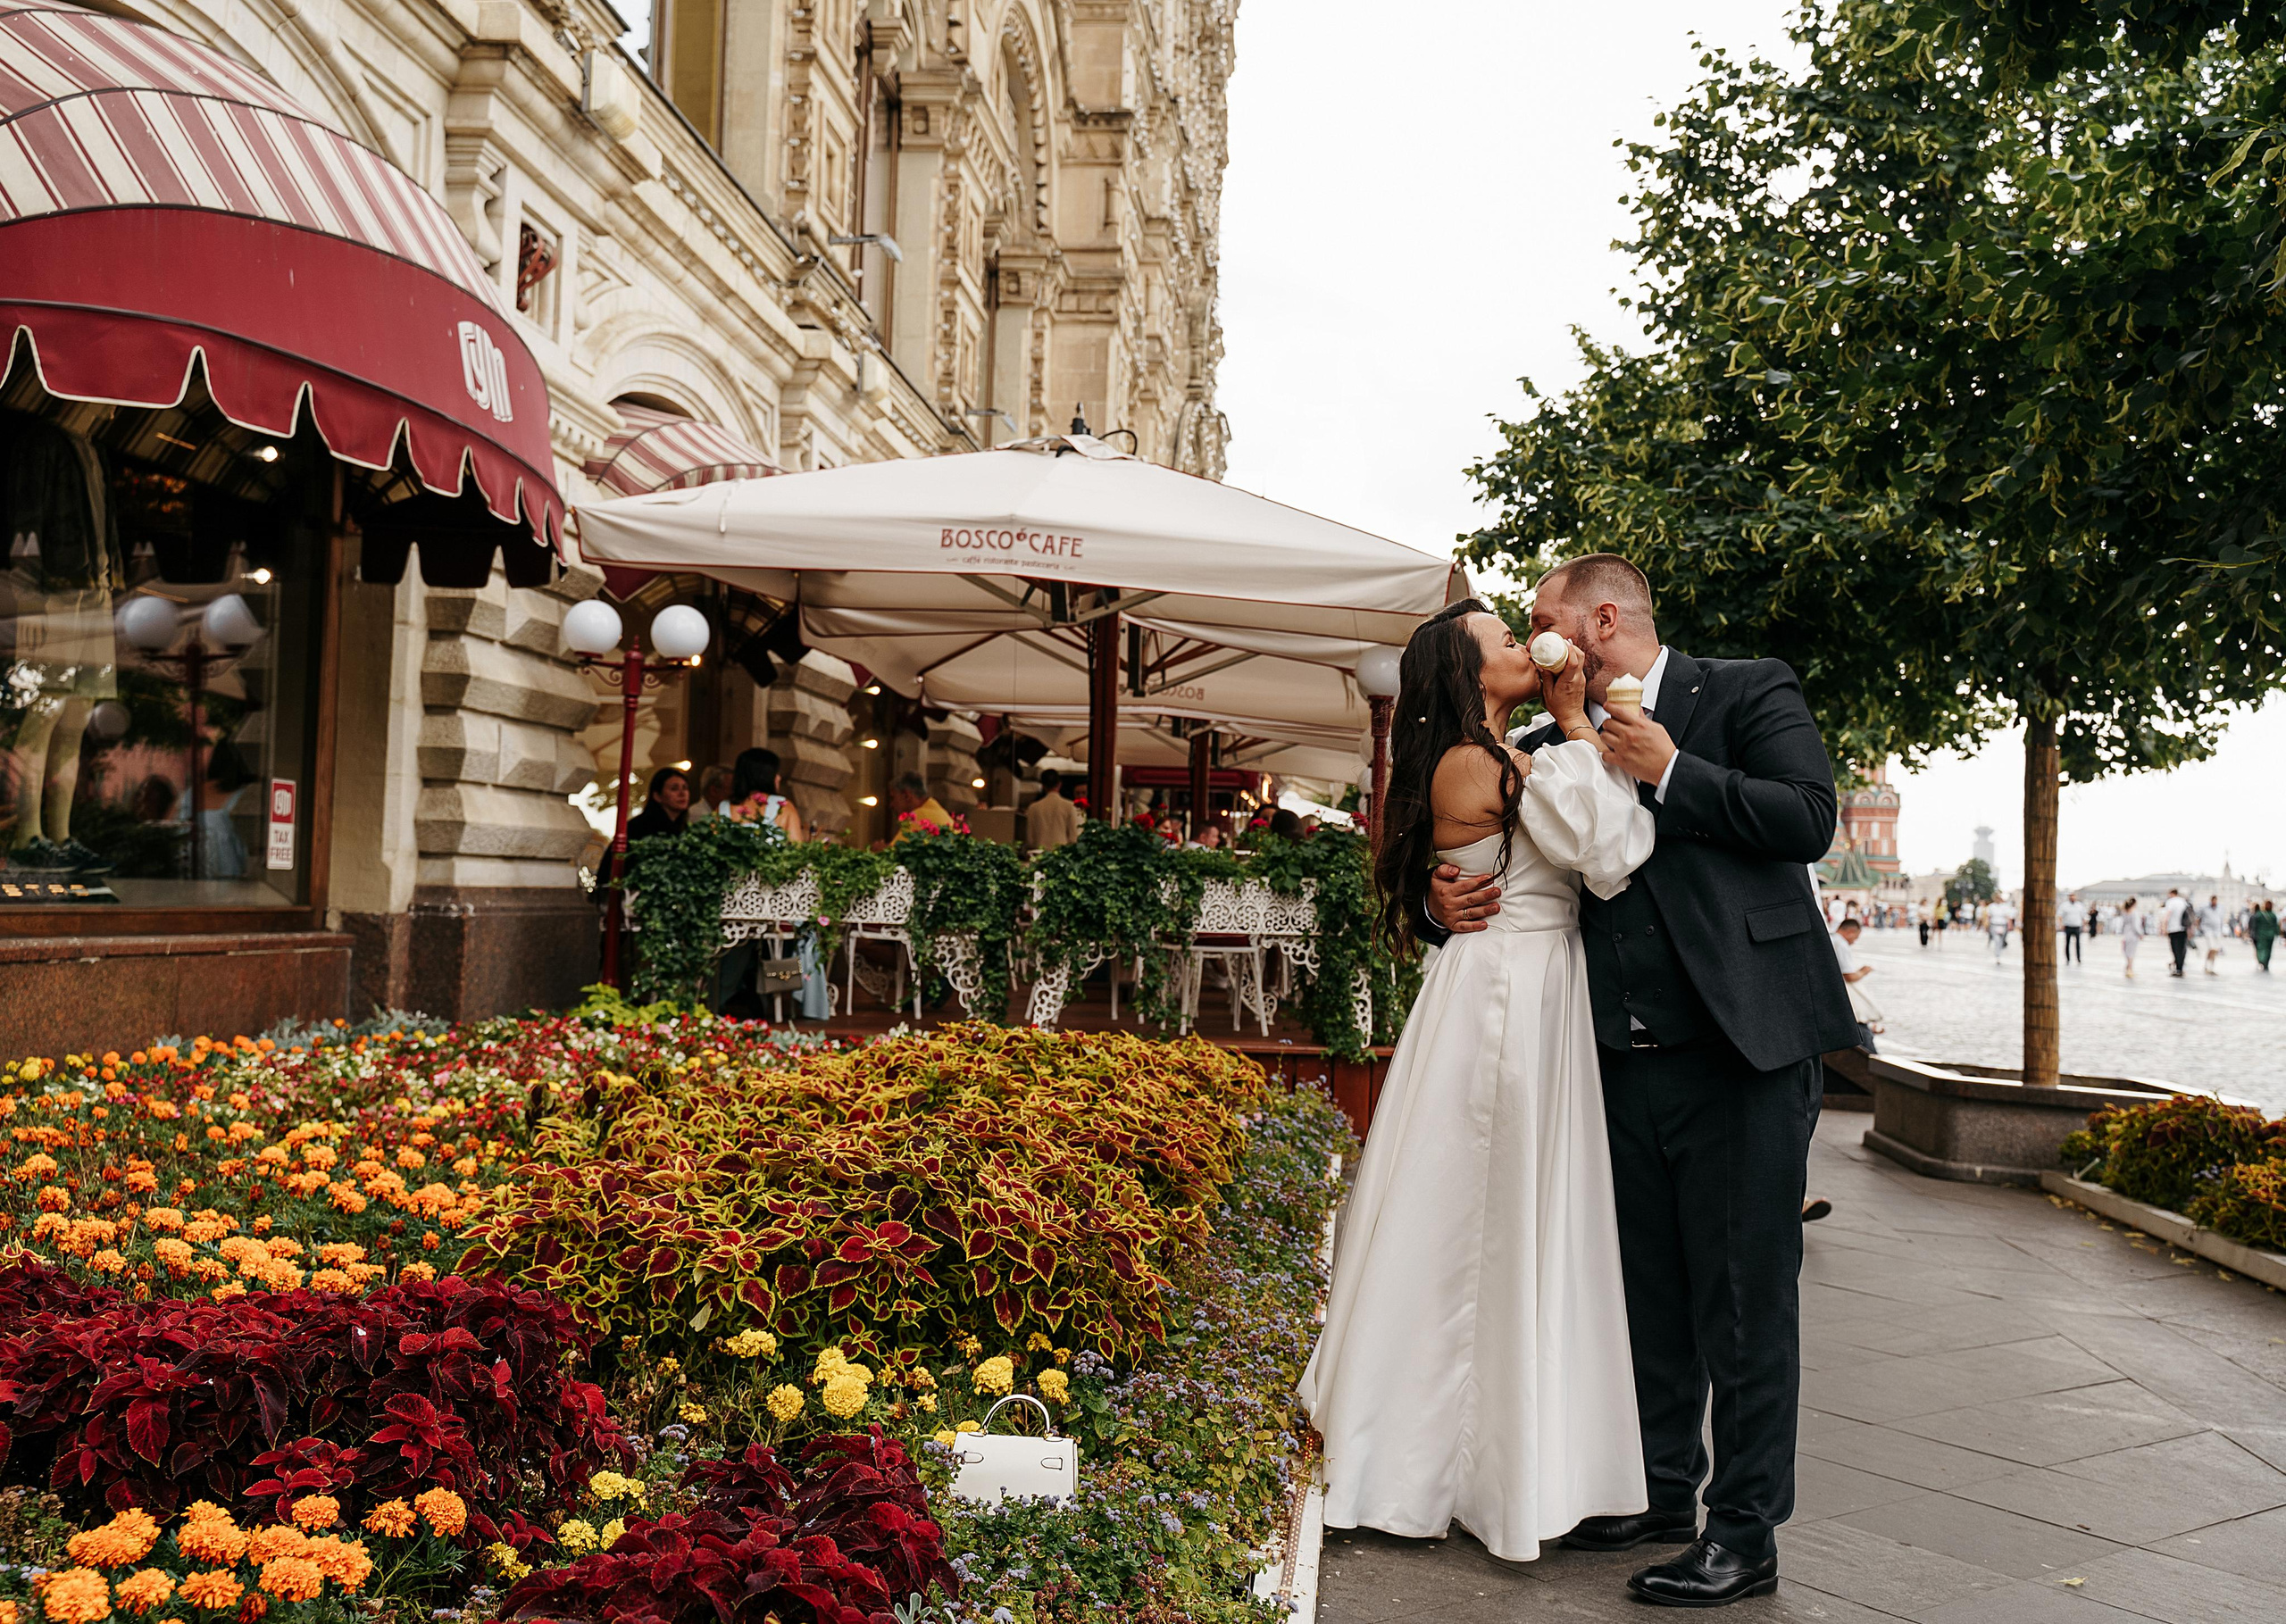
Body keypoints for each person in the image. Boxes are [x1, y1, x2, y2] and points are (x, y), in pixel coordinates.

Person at [1417, 558, 1856, 1606]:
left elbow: (1807, 817)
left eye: (1540, 621)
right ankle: (1660, 1490)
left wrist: (1669, 770)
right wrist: (1446, 898)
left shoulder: (1747, 689)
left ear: (1597, 622)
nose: (1533, 638)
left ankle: (1743, 1533)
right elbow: (1496, 860)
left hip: (1744, 1047)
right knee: (1645, 1295)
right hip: (1610, 1054)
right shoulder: (1535, 742)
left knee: (1744, 1301)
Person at [1300, 601, 1655, 1569]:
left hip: (1519, 982)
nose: (1522, 646)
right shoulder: (1486, 759)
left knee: (1487, 1218)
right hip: (1509, 995)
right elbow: (1612, 854)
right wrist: (1580, 721)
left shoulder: (1495, 752)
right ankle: (1452, 1461)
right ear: (1466, 672)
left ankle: (1493, 1456)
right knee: (1483, 1221)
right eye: (1502, 640)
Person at [720, 748, 806, 840]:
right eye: (776, 773)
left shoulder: (723, 807)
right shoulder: (784, 807)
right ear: (765, 775)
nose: (779, 778)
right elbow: (796, 849)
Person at [1830, 917, 1880, 1054]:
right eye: (1855, 937)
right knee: (1862, 1031)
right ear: (1851, 931)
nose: (1854, 942)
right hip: (1845, 995)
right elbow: (1849, 976)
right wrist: (1864, 971)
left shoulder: (1830, 939)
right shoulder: (1840, 944)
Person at [625, 766, 692, 843]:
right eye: (674, 789)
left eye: (685, 788)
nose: (682, 794)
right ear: (657, 796)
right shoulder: (638, 828)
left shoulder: (687, 830)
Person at [1024, 768, 1081, 850]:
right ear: (1059, 784)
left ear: (1043, 786)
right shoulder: (1070, 806)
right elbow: (1074, 837)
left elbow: (1030, 840)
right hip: (1061, 855)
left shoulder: (1033, 808)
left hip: (1040, 854)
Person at [888, 771, 953, 839]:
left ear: (906, 796)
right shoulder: (940, 813)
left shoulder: (919, 816)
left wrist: (881, 849)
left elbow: (896, 849)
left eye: (893, 798)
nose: (891, 805)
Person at [2160, 888, 2190, 976]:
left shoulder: (2171, 902)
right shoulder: (2184, 901)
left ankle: (2177, 968)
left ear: (2171, 894)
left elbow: (2167, 914)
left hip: (2173, 929)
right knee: (2182, 949)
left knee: (2175, 949)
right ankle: (2180, 968)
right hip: (2183, 928)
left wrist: (2164, 927)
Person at [2117, 895, 2146, 979]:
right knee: (2131, 952)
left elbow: (2123, 924)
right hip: (2133, 934)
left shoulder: (2124, 912)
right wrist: (2140, 933)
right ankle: (2130, 969)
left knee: (2127, 951)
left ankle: (2128, 968)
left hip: (2126, 934)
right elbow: (2136, 925)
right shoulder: (2134, 912)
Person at [2199, 894, 2226, 976]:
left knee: (2215, 949)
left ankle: (2210, 966)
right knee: (2212, 948)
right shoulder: (2204, 908)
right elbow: (2198, 918)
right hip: (2208, 930)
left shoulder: (2220, 908)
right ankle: (2208, 966)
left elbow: (2221, 919)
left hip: (2217, 931)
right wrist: (2200, 928)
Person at [2057, 891, 2086, 965]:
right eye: (2071, 896)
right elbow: (2060, 916)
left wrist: (2084, 925)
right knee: (2067, 943)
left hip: (2077, 926)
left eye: (2073, 896)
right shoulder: (2064, 905)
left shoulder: (2080, 905)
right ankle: (2068, 959)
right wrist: (2061, 924)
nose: (2072, 897)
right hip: (2068, 926)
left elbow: (2084, 916)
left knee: (2078, 944)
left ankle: (2078, 959)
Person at [2251, 899, 2279, 972]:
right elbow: (2276, 926)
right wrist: (2277, 933)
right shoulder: (2273, 915)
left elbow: (2254, 925)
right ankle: (2265, 963)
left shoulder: (2260, 914)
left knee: (2261, 949)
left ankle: (2262, 961)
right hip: (2270, 935)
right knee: (2268, 950)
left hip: (2261, 935)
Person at [1987, 894, 2015, 964]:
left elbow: (2008, 917)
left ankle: (2000, 950)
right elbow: (1989, 916)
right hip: (1994, 925)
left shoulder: (2005, 906)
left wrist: (2010, 925)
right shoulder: (1991, 906)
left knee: (2001, 941)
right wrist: (1987, 925)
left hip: (2003, 925)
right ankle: (1997, 956)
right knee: (1997, 941)